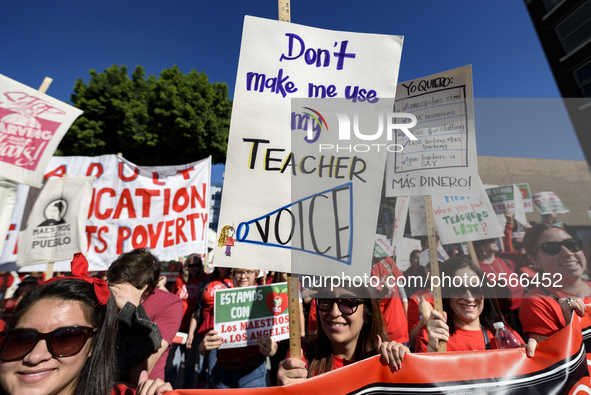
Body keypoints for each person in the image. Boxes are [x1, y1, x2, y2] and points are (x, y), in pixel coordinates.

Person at [0, 253, 171, 395]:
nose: (34, 356)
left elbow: (141, 371)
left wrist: (133, 311)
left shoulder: (169, 304)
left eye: (65, 337)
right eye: (21, 338)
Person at [277, 283, 409, 385]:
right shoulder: (301, 356)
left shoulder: (386, 362)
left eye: (347, 302)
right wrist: (283, 390)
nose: (334, 312)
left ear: (368, 314)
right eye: (325, 300)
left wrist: (405, 367)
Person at [418, 257, 535, 355]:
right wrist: (432, 353)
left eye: (476, 289)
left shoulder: (505, 335)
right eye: (458, 289)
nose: (469, 298)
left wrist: (531, 355)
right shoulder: (433, 335)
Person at [107, 249, 183, 383]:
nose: (115, 292)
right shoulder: (106, 294)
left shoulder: (170, 304)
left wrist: (132, 309)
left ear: (146, 289)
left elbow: (139, 374)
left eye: (122, 287)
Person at [198, 268, 277, 388]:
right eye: (239, 272)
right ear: (233, 275)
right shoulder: (222, 301)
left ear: (256, 274)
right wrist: (205, 346)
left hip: (253, 373)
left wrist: (270, 349)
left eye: (249, 272)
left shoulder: (264, 301)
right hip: (222, 373)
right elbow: (202, 349)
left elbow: (274, 346)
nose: (243, 276)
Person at [519, 224, 589, 343]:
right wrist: (569, 323)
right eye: (552, 248)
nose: (567, 253)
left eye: (572, 244)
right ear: (535, 260)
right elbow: (554, 357)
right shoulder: (537, 301)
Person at [186, 266, 233, 388]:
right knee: (204, 366)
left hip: (228, 333)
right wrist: (191, 333)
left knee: (220, 370)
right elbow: (197, 308)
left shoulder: (235, 279)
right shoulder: (208, 280)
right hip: (206, 331)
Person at [167, 254, 207, 387]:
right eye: (191, 265)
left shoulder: (205, 279)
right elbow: (172, 299)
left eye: (197, 265)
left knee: (190, 364)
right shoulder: (179, 280)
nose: (194, 268)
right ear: (186, 266)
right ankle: (169, 390)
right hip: (176, 327)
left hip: (193, 329)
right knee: (172, 363)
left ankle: (187, 390)